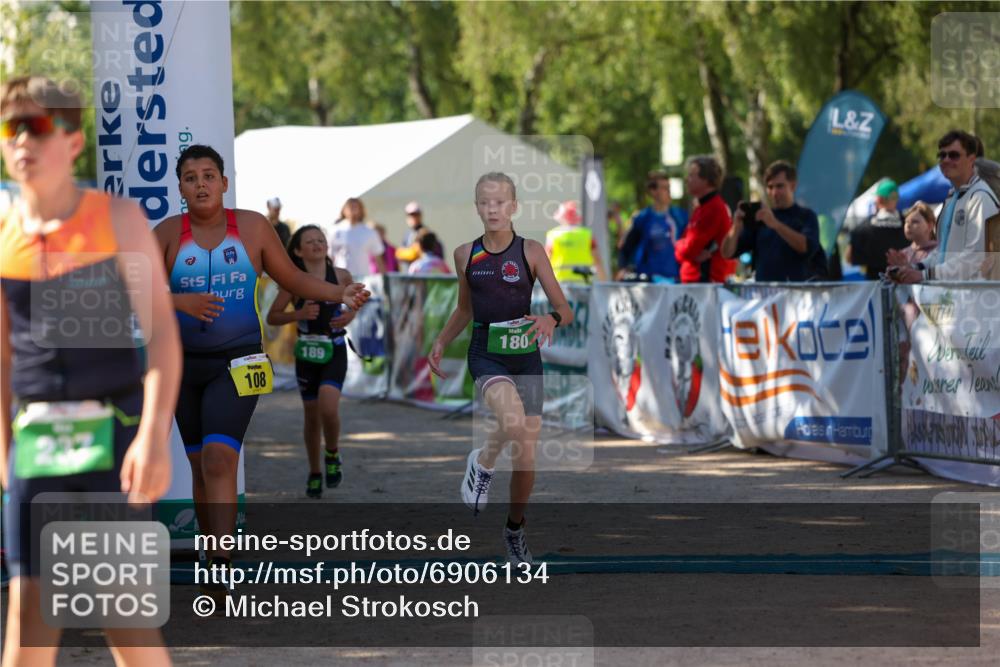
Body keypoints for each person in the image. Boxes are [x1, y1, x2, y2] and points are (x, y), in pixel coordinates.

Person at [1, 75, 180, 667]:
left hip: (114, 436)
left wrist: (154, 439)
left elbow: (160, 340)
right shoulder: (3, 235)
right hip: (36, 443)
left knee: (122, 620)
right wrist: (3, 444)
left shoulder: (118, 219)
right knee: (27, 618)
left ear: (74, 141)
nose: (22, 139)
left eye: (39, 125)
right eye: (11, 128)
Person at [155, 145, 368, 591]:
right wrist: (180, 301)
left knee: (219, 458)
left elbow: (292, 279)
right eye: (191, 177)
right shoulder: (168, 232)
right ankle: (208, 547)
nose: (200, 184)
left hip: (237, 360)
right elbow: (134, 294)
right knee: (198, 466)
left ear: (224, 183)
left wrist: (338, 295)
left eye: (209, 175)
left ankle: (221, 564)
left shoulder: (250, 226)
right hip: (182, 365)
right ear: (180, 188)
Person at [427, 172, 572, 565]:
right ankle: (484, 462)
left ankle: (514, 531)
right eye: (484, 202)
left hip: (526, 358)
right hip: (486, 353)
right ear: (477, 207)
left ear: (513, 207)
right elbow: (464, 309)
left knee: (526, 460)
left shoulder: (532, 251)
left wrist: (550, 321)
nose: (492, 209)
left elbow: (565, 309)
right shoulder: (464, 255)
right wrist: (441, 341)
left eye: (499, 202)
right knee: (512, 421)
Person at [266, 226, 354, 498]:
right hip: (306, 352)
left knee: (328, 407)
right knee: (311, 417)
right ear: (297, 250)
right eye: (310, 241)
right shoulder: (293, 281)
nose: (317, 244)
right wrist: (299, 313)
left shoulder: (340, 275)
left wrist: (349, 316)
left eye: (321, 240)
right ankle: (315, 471)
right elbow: (273, 316)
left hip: (334, 348)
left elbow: (357, 302)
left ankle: (332, 453)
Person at [890, 130, 1000, 283]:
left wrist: (924, 275)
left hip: (974, 301)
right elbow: (943, 252)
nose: (946, 160)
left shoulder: (980, 197)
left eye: (954, 155)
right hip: (951, 297)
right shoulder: (952, 198)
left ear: (971, 159)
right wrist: (914, 268)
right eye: (942, 155)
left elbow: (975, 258)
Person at [721, 160, 825, 282]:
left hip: (798, 295)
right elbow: (727, 253)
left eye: (779, 186)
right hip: (766, 295)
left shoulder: (806, 216)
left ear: (793, 186)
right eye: (770, 187)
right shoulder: (760, 218)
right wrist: (736, 227)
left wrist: (776, 224)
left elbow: (806, 248)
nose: (774, 192)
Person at [674, 155, 735, 283]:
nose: (687, 179)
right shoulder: (701, 207)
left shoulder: (714, 208)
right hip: (695, 281)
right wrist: (681, 247)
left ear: (706, 180)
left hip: (706, 283)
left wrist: (681, 248)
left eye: (691, 175)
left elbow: (689, 249)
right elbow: (683, 246)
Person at [616, 171, 687, 281]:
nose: (668, 192)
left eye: (669, 187)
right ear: (653, 191)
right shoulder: (642, 218)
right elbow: (625, 247)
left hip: (676, 280)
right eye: (664, 188)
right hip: (649, 282)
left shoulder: (680, 216)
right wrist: (622, 268)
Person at [847, 179, 909, 280]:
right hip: (904, 282)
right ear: (896, 198)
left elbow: (849, 257)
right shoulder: (909, 224)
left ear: (879, 199)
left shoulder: (864, 227)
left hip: (874, 284)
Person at [545, 200, 607, 283]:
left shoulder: (553, 235)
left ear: (562, 217)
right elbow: (597, 260)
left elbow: (546, 261)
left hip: (559, 283)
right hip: (583, 282)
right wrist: (604, 283)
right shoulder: (587, 235)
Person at [322, 198, 385, 277]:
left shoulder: (369, 232)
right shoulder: (335, 231)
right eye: (350, 207)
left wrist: (384, 279)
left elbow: (378, 257)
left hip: (363, 278)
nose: (353, 210)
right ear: (344, 210)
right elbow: (329, 256)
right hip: (340, 278)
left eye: (356, 207)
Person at [396, 201, 444, 267]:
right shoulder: (407, 234)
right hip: (412, 271)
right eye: (411, 215)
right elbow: (400, 254)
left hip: (426, 271)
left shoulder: (426, 233)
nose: (413, 218)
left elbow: (438, 254)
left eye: (416, 215)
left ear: (420, 215)